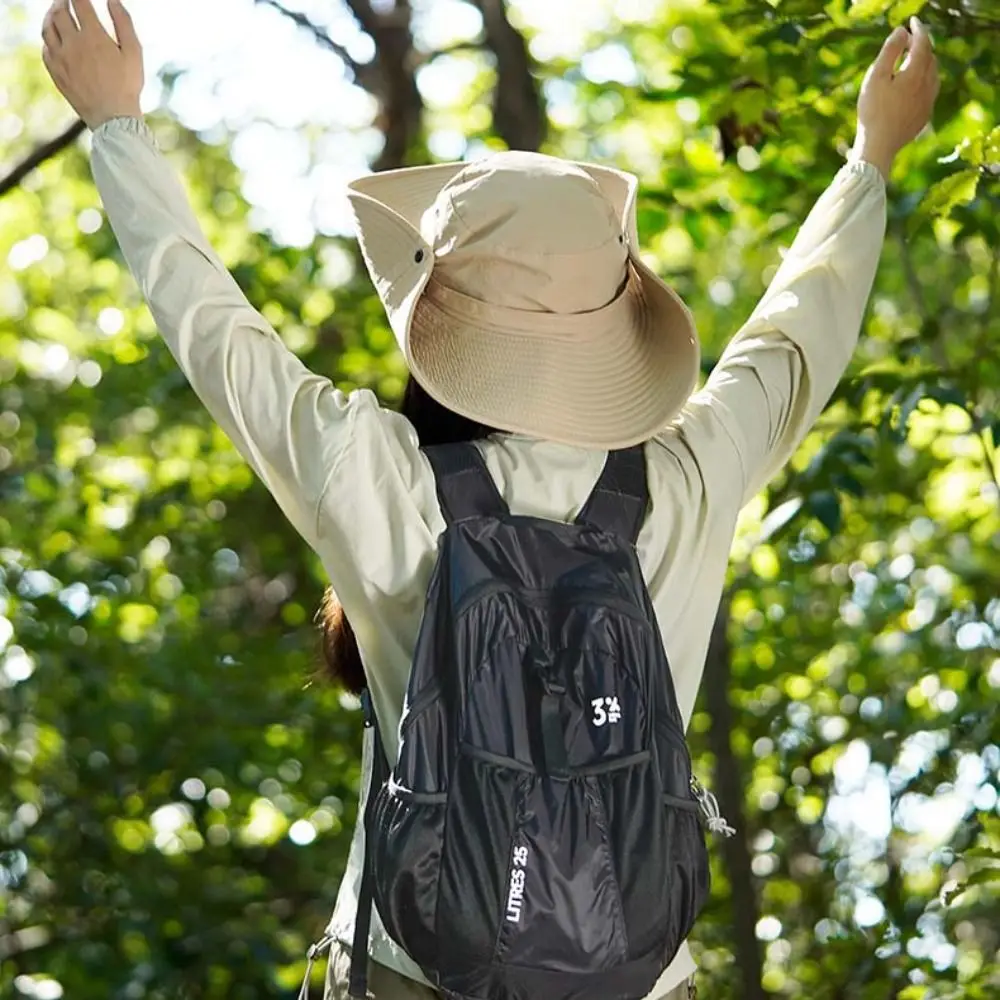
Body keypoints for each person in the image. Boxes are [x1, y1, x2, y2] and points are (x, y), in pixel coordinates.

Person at [39, 1, 940, 998]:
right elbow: (794, 334)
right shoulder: (685, 476)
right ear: (615, 319)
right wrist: (871, 157)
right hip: (635, 973)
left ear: (442, 320)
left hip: (411, 967)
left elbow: (208, 324)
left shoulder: (374, 474)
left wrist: (116, 125)